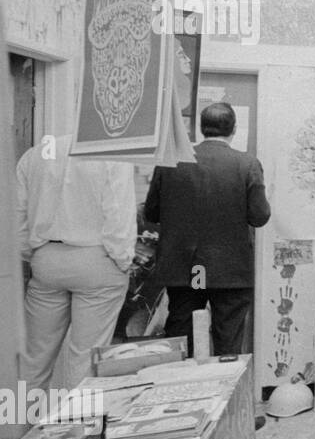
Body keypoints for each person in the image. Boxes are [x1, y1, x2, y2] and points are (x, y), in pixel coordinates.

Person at [145, 103, 271, 357]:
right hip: (230, 271)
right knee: (229, 343)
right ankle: (225, 392)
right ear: (234, 129)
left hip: (185, 269)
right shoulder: (247, 164)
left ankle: (186, 392)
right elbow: (259, 217)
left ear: (201, 129)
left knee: (183, 340)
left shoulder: (171, 161)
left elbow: (151, 213)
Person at [16, 134, 135, 391]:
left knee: (33, 359)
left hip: (46, 259)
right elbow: (118, 214)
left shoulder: (35, 154)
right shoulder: (112, 154)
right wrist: (123, 259)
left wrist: (31, 253)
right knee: (85, 358)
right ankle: (78, 428)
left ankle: (16, 426)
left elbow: (18, 215)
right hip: (97, 259)